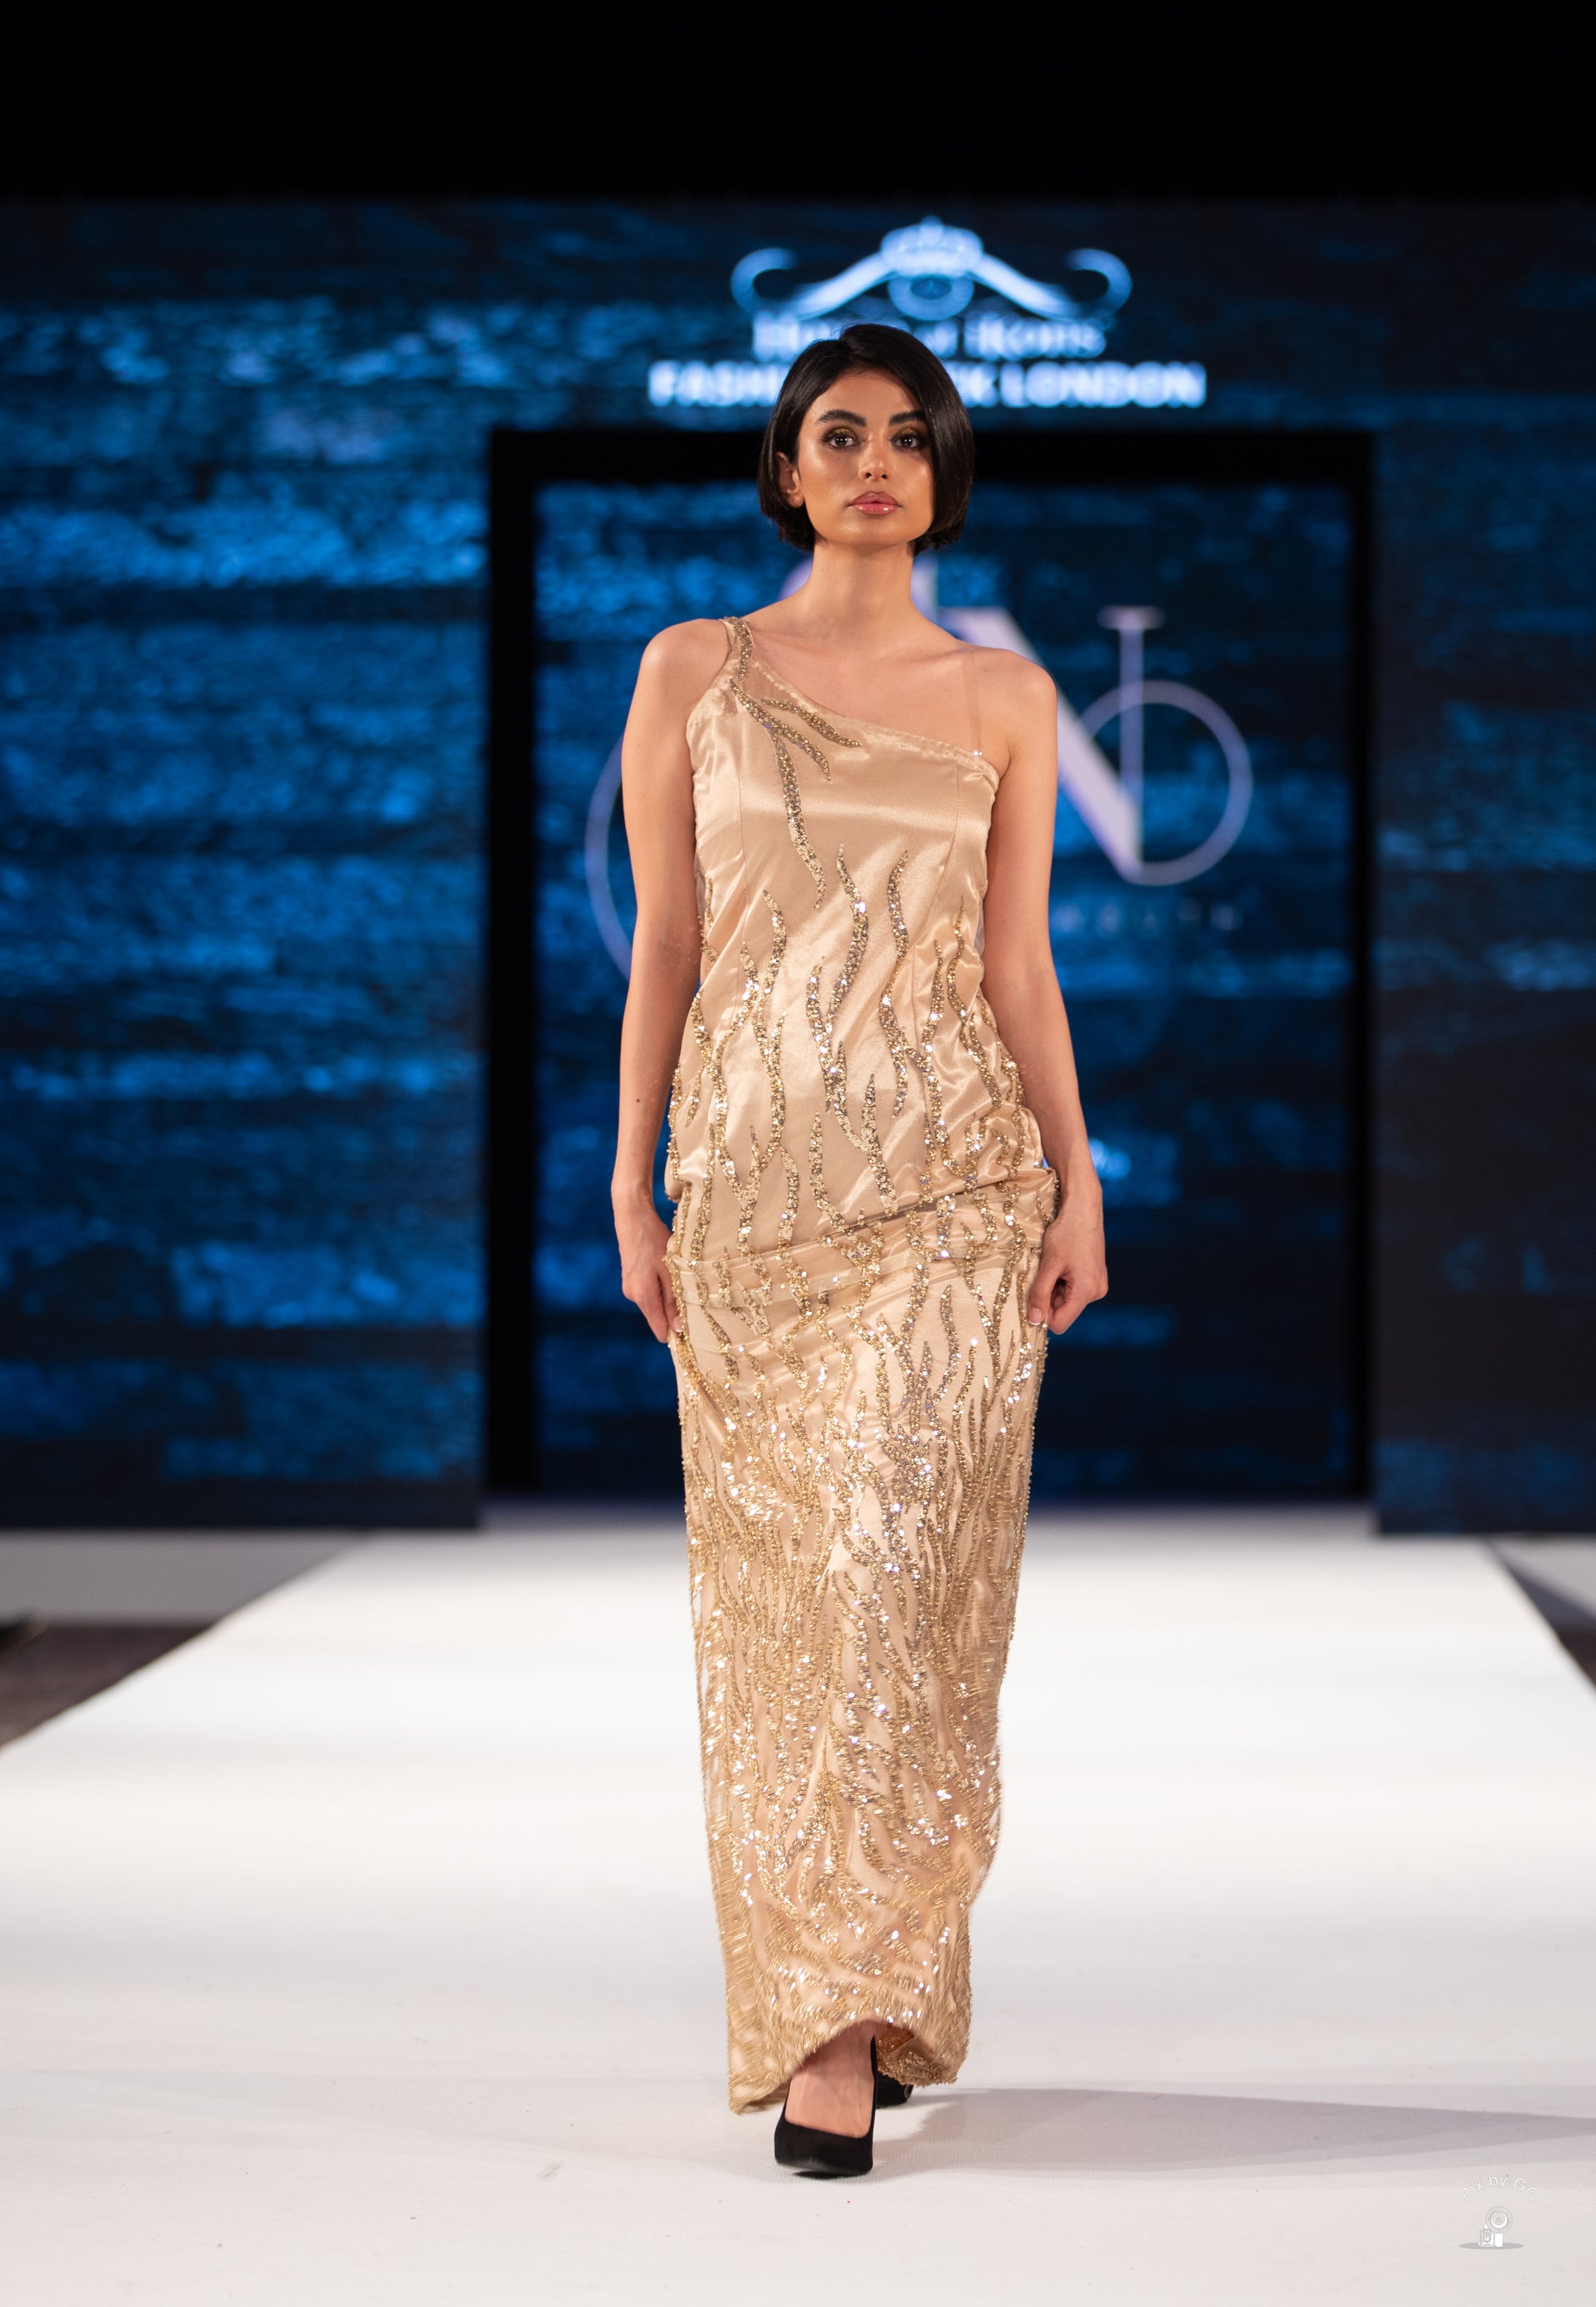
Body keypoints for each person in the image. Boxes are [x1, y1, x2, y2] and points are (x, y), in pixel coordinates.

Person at [612, 323, 1107, 2177]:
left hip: (951, 1192)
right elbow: (667, 946)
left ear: (942, 469)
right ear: (786, 466)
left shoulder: (1004, 696)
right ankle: (853, 1982)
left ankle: (839, 2025)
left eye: (908, 434)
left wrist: (1077, 1180)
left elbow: (1017, 965)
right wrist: (628, 1185)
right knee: (789, 1604)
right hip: (749, 1188)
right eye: (839, 433)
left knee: (901, 1581)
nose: (875, 461)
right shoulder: (693, 669)